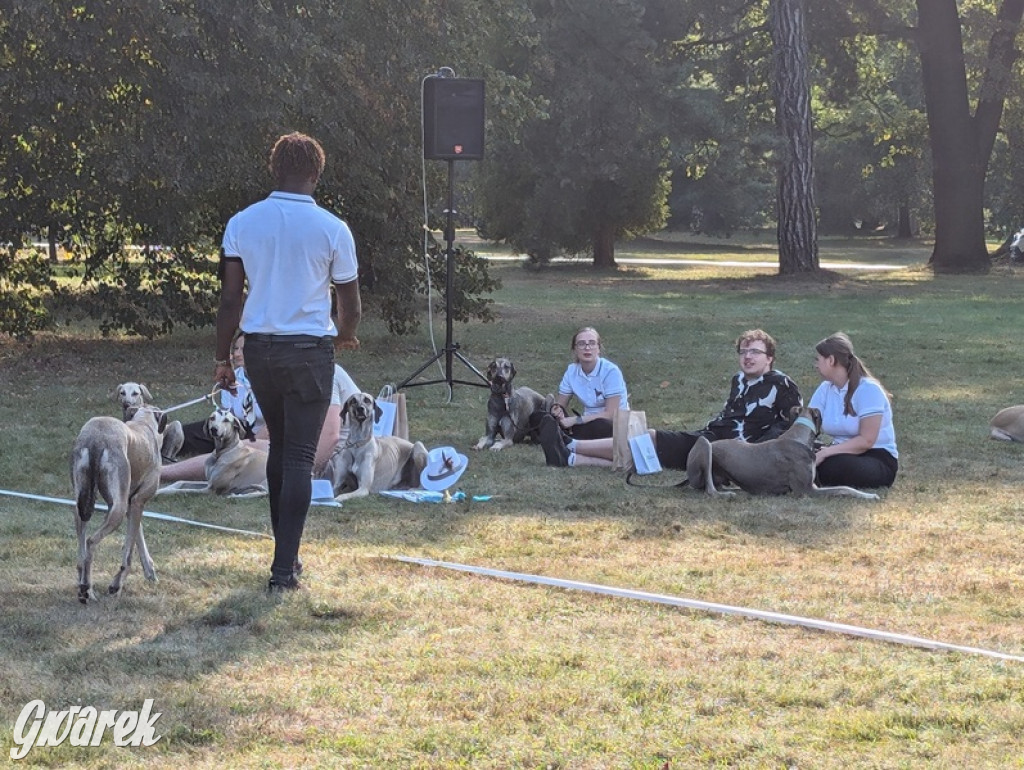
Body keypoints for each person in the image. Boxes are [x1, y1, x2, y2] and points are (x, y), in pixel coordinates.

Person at [214, 131, 361, 593]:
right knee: (298, 457)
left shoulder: (242, 222)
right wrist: (347, 335)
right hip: (309, 351)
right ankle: (283, 571)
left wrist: (223, 358)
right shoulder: (333, 228)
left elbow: (229, 299)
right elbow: (350, 303)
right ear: (316, 174)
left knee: (281, 451)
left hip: (259, 350)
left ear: (274, 169)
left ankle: (287, 560)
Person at [542, 329, 801, 468]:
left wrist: (761, 452)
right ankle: (571, 457)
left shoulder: (781, 382)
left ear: (770, 358)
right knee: (644, 458)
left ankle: (570, 445)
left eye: (755, 351)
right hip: (709, 438)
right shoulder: (740, 380)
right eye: (743, 351)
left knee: (649, 440)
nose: (748, 356)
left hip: (733, 451)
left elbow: (795, 423)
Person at [160, 360, 358, 485]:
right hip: (301, 451)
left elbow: (331, 437)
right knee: (239, 450)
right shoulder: (294, 374)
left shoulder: (324, 373)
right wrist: (250, 444)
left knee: (238, 453)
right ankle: (162, 468)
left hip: (340, 464)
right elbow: (276, 427)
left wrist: (302, 474)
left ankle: (161, 473)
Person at [529, 326, 630, 467]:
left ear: (599, 348)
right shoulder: (572, 371)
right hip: (585, 423)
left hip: (612, 424)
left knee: (598, 426)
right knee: (539, 417)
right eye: (582, 344)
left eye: (592, 343)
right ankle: (560, 440)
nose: (587, 348)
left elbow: (611, 414)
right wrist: (556, 410)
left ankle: (562, 444)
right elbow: (561, 404)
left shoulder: (611, 371)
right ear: (575, 349)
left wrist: (576, 420)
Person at [809, 332, 898, 489]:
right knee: (798, 455)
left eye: (818, 360)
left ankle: (804, 476)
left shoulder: (868, 389)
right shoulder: (825, 389)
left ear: (831, 360)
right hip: (838, 451)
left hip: (876, 458)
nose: (815, 365)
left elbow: (867, 441)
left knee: (833, 466)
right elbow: (808, 421)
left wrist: (825, 453)